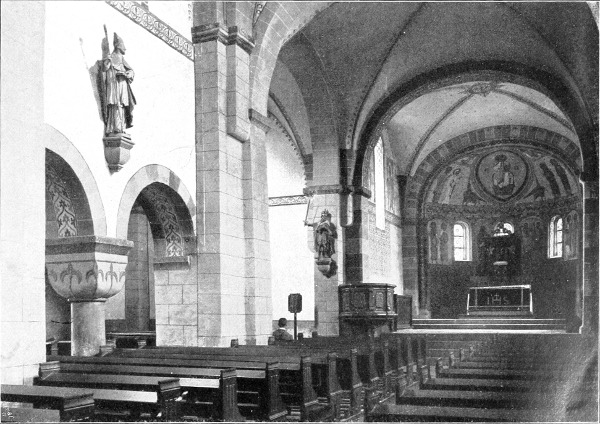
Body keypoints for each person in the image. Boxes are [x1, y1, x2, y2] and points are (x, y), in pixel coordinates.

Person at [98, 31, 136, 135]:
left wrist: (126, 74)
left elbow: (131, 71)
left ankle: (121, 127)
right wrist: (107, 62)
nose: (125, 48)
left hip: (122, 85)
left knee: (122, 105)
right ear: (118, 46)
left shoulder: (122, 59)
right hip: (114, 84)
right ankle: (114, 128)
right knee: (114, 104)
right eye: (123, 46)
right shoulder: (110, 57)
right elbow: (104, 69)